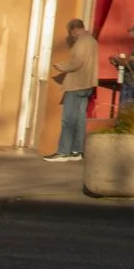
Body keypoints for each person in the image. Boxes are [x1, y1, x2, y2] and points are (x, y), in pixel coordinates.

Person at [43, 18, 98, 163]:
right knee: (80, 119)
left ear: (74, 30)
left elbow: (76, 63)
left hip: (76, 85)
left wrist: (62, 67)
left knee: (68, 120)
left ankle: (63, 151)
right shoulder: (92, 41)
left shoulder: (81, 42)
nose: (71, 36)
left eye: (70, 32)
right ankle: (77, 151)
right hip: (87, 85)